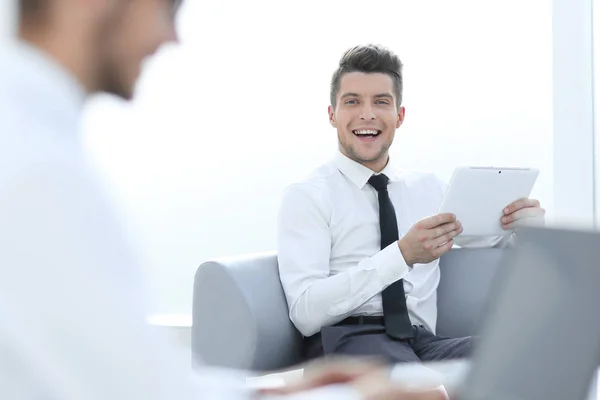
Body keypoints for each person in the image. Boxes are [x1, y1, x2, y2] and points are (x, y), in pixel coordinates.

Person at [0, 2, 446, 400]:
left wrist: (277, 389)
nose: (170, 37)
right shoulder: (38, 169)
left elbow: (126, 372)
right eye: (167, 7)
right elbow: (134, 387)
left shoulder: (32, 142)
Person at [277, 44, 546, 365]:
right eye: (352, 102)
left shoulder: (428, 189)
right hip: (350, 339)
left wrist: (526, 229)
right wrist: (402, 255)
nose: (367, 114)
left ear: (399, 116)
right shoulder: (308, 196)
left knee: (525, 356)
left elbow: (490, 239)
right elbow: (305, 313)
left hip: (421, 341)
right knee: (415, 384)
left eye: (381, 102)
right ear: (332, 115)